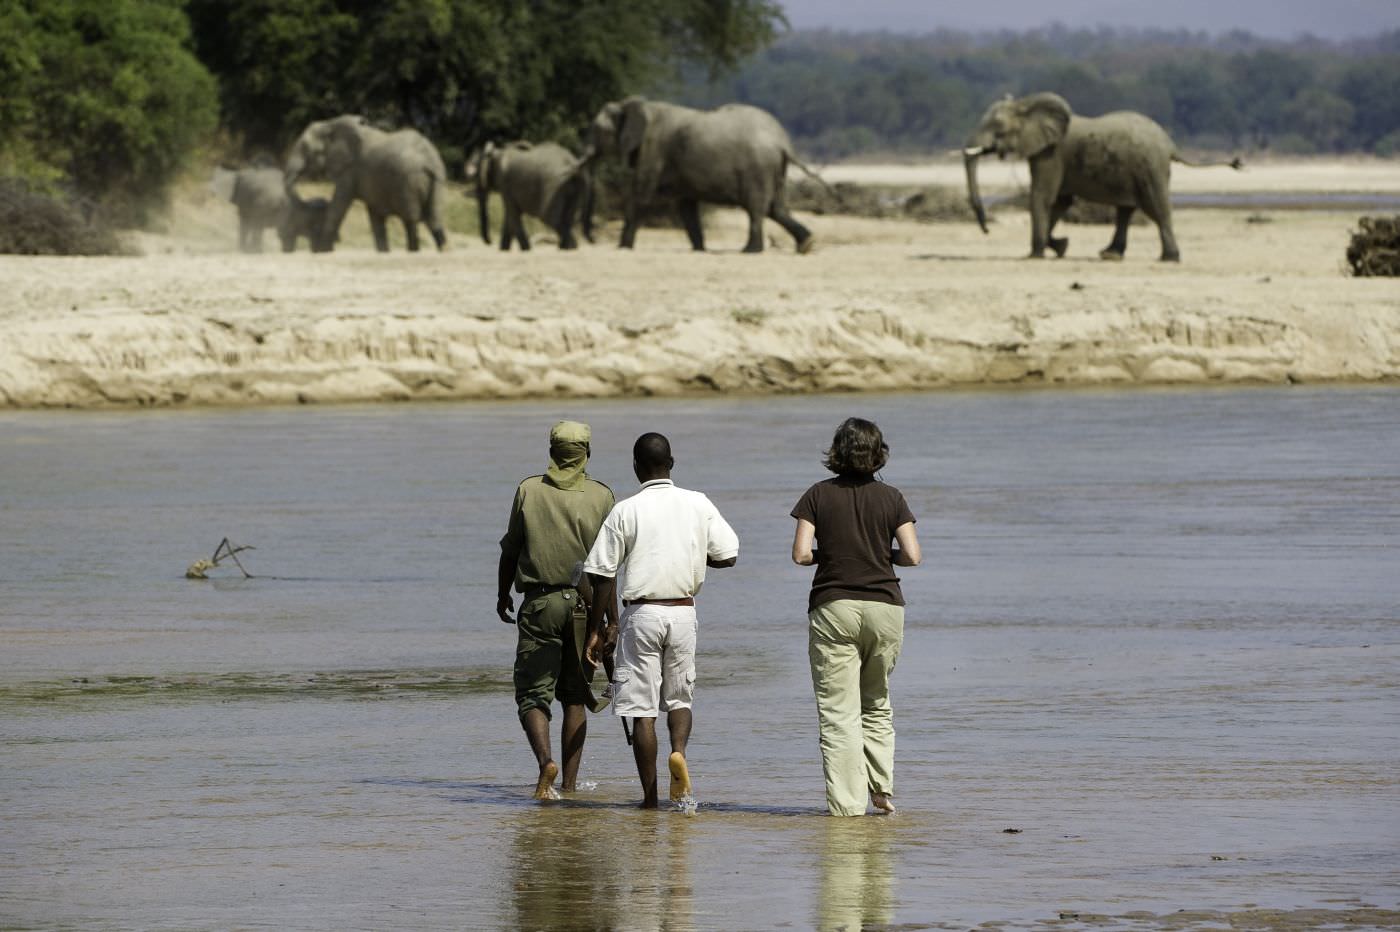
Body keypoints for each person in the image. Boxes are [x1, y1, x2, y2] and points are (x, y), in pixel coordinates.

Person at [583, 432, 739, 809]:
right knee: (680, 697)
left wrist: (599, 629)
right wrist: (695, 554)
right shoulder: (697, 503)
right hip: (684, 611)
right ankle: (679, 752)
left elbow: (602, 574)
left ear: (636, 467)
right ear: (672, 463)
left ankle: (650, 798)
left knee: (642, 710)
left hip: (641, 613)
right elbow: (729, 555)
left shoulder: (625, 509)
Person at [790, 417, 921, 816]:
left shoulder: (816, 495)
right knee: (877, 701)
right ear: (878, 453)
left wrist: (828, 555)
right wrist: (882, 556)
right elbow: (913, 556)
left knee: (838, 712)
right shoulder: (892, 497)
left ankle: (848, 809)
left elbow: (800, 554)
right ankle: (881, 791)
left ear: (837, 452)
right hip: (885, 606)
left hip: (834, 608)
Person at [497, 420, 615, 800]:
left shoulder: (528, 490)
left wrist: (502, 595)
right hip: (585, 608)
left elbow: (510, 549)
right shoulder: (601, 496)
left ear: (551, 451)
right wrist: (610, 621)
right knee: (575, 698)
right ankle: (569, 784)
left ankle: (545, 762)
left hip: (539, 604)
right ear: (587, 453)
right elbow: (606, 568)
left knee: (533, 695)